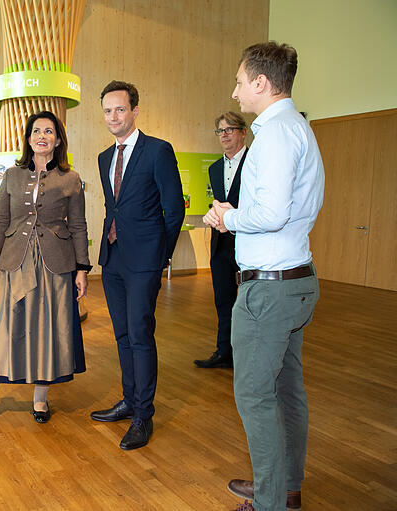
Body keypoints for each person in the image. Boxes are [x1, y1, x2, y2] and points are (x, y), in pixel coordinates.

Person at [203, 42, 324, 511]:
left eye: (239, 82)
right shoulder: (299, 128)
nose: (235, 92)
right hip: (296, 279)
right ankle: (285, 486)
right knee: (285, 390)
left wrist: (228, 219)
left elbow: (271, 212)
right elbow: (293, 208)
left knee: (255, 395)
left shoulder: (272, 134)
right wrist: (240, 212)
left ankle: (272, 501)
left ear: (261, 83)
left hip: (268, 289)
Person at [0, 111, 90, 432]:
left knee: (48, 329)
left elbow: (77, 225)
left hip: (55, 265)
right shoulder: (13, 176)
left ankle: (40, 398)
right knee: (0, 331)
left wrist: (82, 269)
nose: (42, 136)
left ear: (58, 140)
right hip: (13, 261)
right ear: (29, 138)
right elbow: (1, 221)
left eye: (49, 131)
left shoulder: (71, 178)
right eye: (36, 131)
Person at [90, 80, 185, 450]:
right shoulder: (103, 158)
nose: (113, 116)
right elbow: (115, 208)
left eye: (120, 109)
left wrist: (161, 256)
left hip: (145, 261)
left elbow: (173, 210)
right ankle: (129, 400)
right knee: (122, 335)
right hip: (113, 259)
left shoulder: (158, 151)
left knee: (141, 336)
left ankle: (144, 414)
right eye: (108, 111)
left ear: (134, 112)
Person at [194, 111, 248, 369]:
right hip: (220, 244)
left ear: (243, 132)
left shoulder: (255, 163)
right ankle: (223, 351)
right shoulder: (215, 168)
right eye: (220, 131)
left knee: (248, 302)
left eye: (230, 129)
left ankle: (245, 355)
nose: (224, 135)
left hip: (248, 242)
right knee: (223, 300)